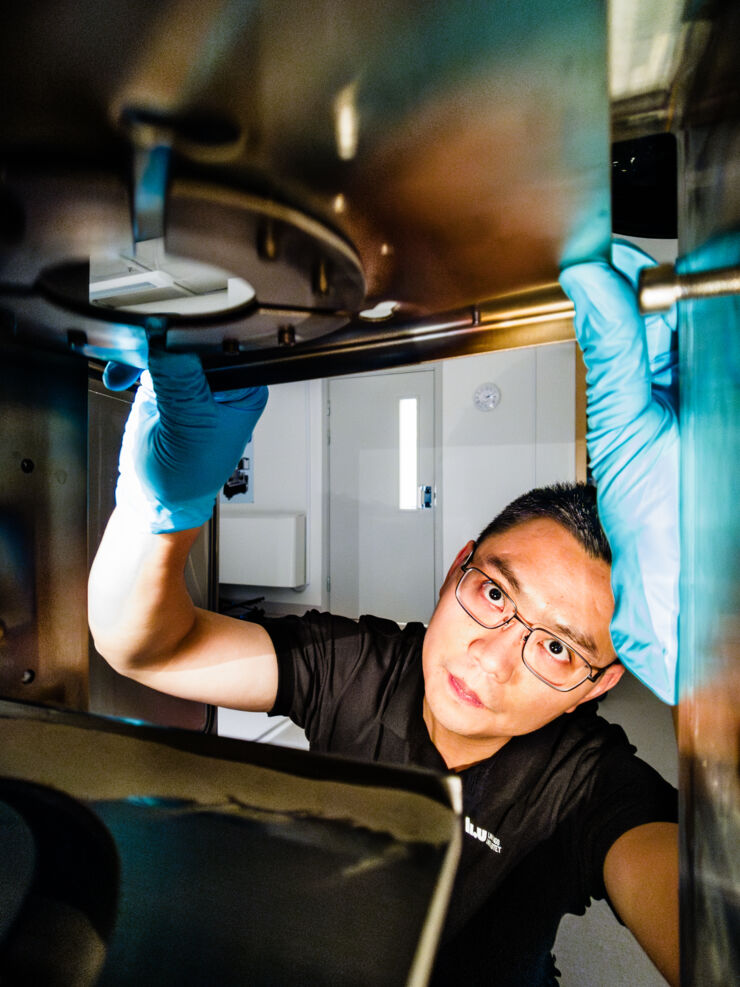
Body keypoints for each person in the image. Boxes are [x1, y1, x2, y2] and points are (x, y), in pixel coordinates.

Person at [88, 242, 680, 986]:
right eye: (494, 595)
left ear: (599, 682)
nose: (490, 660)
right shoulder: (362, 669)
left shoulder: (584, 782)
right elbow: (144, 649)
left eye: (558, 649)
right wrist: (159, 507)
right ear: (454, 569)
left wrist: (726, 664)